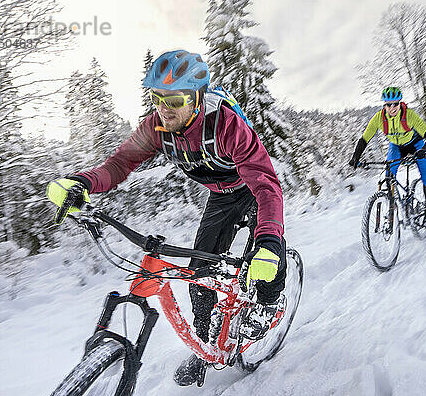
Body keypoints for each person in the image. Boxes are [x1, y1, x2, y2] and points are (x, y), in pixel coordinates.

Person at [46, 50, 286, 386]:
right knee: (200, 276)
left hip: (252, 188)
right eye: (156, 97)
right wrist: (83, 182)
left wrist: (270, 243)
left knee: (267, 254)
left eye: (173, 98)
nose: (163, 107)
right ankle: (206, 349)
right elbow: (119, 165)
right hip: (220, 197)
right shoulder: (156, 127)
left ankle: (272, 301)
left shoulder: (226, 125)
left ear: (196, 97)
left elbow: (266, 185)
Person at [349, 86, 426, 228]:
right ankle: (391, 210)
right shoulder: (379, 118)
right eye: (388, 104)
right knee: (389, 176)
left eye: (395, 104)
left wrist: (425, 150)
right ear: (385, 105)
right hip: (396, 147)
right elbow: (365, 139)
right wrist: (355, 157)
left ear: (400, 103)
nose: (392, 107)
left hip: (416, 145)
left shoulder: (409, 115)